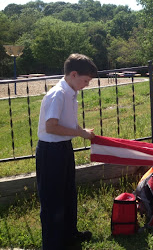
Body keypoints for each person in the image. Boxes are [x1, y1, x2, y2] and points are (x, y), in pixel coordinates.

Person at [36, 53, 98, 250]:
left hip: (63, 148)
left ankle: (69, 234)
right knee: (52, 199)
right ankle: (53, 244)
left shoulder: (70, 92)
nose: (87, 85)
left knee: (68, 194)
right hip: (50, 151)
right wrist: (81, 133)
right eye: (85, 80)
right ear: (73, 74)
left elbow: (67, 121)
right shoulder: (58, 94)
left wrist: (79, 131)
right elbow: (51, 127)